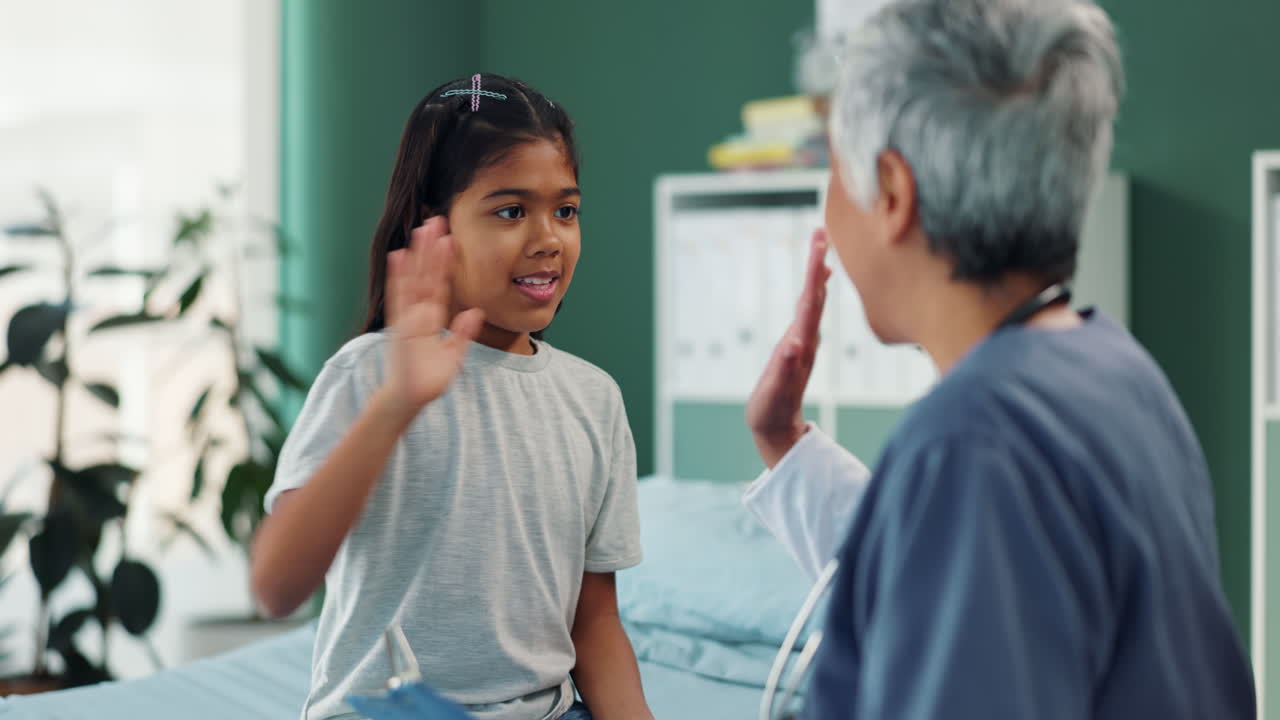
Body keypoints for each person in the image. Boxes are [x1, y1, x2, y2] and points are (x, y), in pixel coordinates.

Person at [741, 0, 1257, 717]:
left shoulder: (971, 441)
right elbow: (956, 577)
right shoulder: (1116, 369)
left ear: (891, 192)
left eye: (833, 164)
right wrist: (786, 444)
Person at [250, 73, 652, 720]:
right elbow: (277, 587)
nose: (549, 238)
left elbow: (595, 622)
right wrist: (397, 405)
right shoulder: (368, 374)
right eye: (511, 211)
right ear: (432, 230)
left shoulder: (594, 399)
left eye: (566, 211)